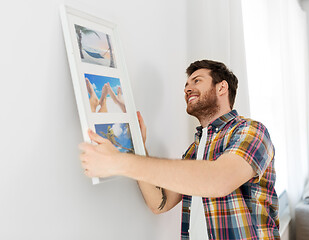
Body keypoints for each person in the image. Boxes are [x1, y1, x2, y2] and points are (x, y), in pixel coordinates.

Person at [79, 60, 279, 239]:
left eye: (196, 81)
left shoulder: (252, 131)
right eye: (186, 85)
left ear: (222, 87)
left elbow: (219, 180)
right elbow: (160, 202)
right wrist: (137, 149)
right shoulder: (194, 150)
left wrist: (119, 162)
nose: (187, 89)